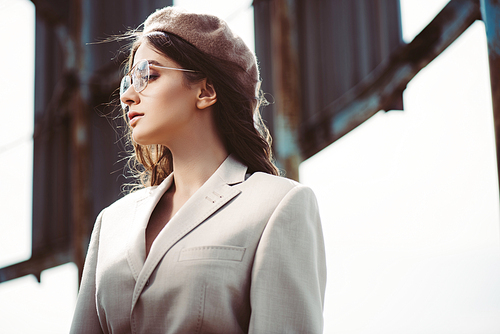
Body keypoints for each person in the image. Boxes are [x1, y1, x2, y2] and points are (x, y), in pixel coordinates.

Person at [70, 6, 326, 334]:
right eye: (127, 82)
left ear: (205, 91)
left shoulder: (278, 206)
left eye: (146, 75)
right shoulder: (111, 223)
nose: (129, 96)